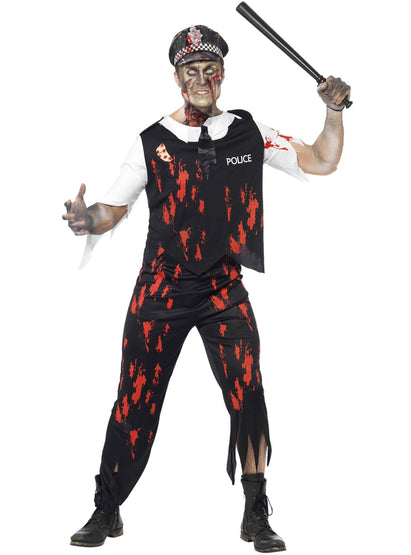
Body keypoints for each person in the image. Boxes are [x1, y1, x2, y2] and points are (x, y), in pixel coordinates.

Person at [64, 25, 351, 552]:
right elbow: (112, 208)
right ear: (177, 78)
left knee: (249, 395)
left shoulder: (248, 131)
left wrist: (333, 112)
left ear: (222, 75)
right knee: (134, 402)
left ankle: (255, 512)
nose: (201, 79)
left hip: (223, 290)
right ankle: (107, 509)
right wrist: (88, 219)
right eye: (191, 71)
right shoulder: (151, 141)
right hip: (161, 290)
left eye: (210, 69)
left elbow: (322, 159)